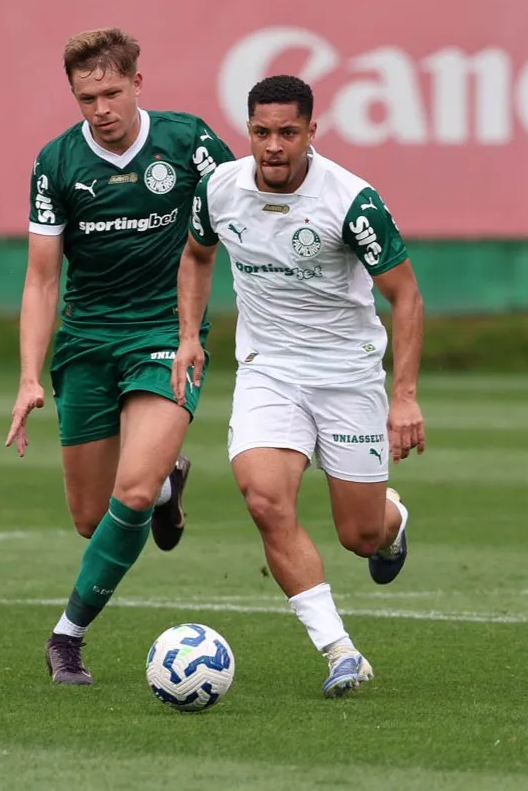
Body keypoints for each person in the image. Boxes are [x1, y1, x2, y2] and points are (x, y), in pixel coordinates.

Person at [172, 75, 425, 697]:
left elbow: (405, 295)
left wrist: (405, 394)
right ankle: (339, 650)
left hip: (347, 377)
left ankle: (393, 522)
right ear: (249, 132)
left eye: (288, 132)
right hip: (269, 371)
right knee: (264, 499)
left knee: (359, 535)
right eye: (262, 132)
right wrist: (189, 336)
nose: (273, 146)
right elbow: (197, 256)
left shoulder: (351, 200)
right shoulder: (219, 189)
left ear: (312, 131)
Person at [5, 28, 234, 684]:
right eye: (86, 98)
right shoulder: (56, 164)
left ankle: (66, 638)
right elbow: (42, 278)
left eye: (110, 92)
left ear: (137, 82)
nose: (100, 108)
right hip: (86, 343)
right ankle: (167, 482)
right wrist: (27, 377)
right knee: (90, 517)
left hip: (165, 335)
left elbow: (247, 214)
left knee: (127, 495)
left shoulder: (188, 143)